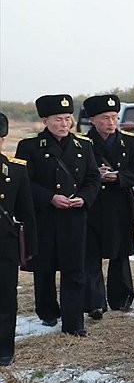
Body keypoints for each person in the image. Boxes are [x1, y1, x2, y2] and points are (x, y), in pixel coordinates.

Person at [16, 95, 100, 337]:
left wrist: (84, 198)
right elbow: (25, 183)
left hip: (74, 217)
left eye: (67, 119)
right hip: (44, 218)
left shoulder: (83, 146)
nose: (64, 124)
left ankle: (74, 323)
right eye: (58, 119)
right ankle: (48, 312)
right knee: (45, 268)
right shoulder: (29, 147)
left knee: (75, 269)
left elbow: (93, 178)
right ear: (45, 121)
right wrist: (50, 197)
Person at [81, 95, 134, 317]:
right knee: (91, 255)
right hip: (93, 205)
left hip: (120, 204)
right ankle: (94, 302)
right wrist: (94, 176)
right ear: (92, 120)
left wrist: (119, 177)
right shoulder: (82, 144)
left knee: (120, 254)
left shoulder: (129, 141)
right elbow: (74, 173)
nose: (111, 122)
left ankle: (122, 298)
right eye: (105, 118)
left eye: (114, 117)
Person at [0, 112, 38, 367]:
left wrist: (30, 252)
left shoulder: (15, 170)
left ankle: (4, 349)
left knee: (5, 298)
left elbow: (27, 213)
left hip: (5, 245)